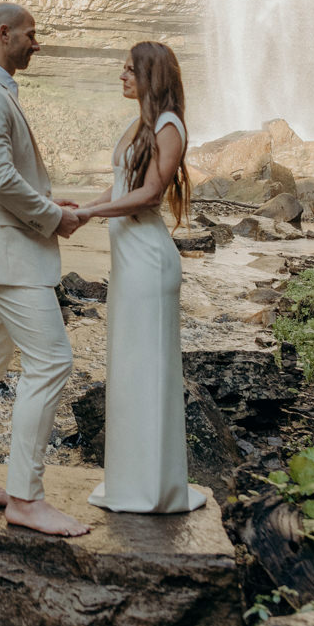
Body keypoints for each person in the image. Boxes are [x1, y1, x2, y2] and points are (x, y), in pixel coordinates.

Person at [0, 2, 89, 537]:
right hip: (8, 257)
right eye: (31, 34)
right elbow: (0, 179)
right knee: (52, 362)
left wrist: (50, 202)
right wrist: (52, 217)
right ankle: (26, 498)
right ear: (3, 34)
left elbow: (7, 177)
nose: (38, 42)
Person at [75, 40, 206, 514]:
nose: (122, 75)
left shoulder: (170, 126)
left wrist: (90, 214)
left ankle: (156, 489)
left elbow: (150, 195)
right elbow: (121, 182)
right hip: (128, 264)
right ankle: (130, 481)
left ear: (151, 76)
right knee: (129, 369)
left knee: (149, 371)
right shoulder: (139, 124)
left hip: (150, 263)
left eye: (130, 70)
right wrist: (82, 205)